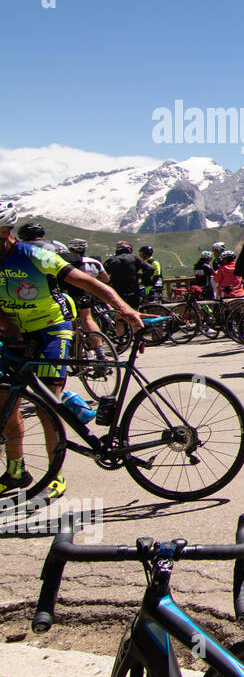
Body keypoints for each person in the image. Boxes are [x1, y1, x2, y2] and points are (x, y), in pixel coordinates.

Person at [0, 202, 143, 497]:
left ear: (5, 231)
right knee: (5, 401)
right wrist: (8, 324)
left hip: (52, 329)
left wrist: (123, 308)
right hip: (16, 333)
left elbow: (90, 283)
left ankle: (56, 475)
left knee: (45, 406)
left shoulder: (35, 256)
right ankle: (15, 470)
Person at [104, 242, 148, 311]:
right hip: (133, 291)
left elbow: (103, 275)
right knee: (135, 312)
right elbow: (150, 269)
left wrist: (109, 284)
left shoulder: (111, 260)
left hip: (118, 292)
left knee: (119, 312)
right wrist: (144, 279)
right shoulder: (134, 257)